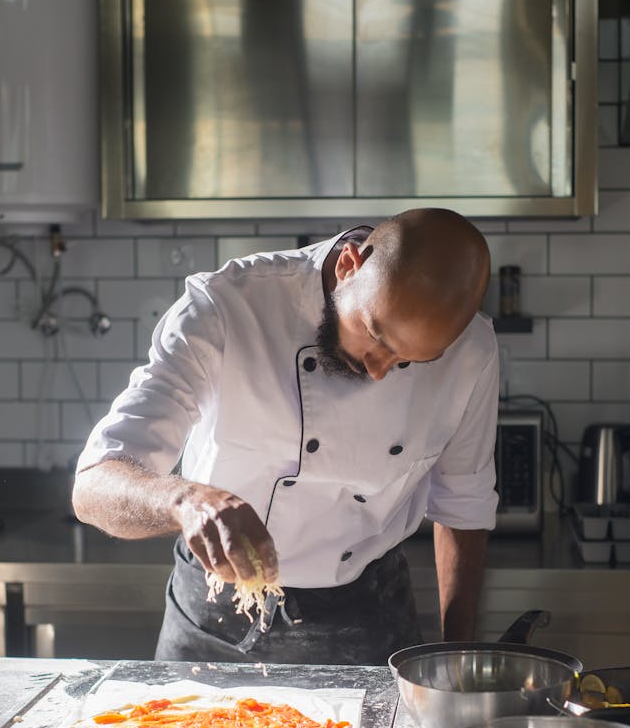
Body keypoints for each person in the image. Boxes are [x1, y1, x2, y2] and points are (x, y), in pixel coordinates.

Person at [72, 207, 499, 665]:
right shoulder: (225, 307)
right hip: (212, 617)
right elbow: (94, 486)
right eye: (375, 335)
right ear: (348, 266)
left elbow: (463, 504)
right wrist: (186, 502)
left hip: (368, 618)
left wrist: (460, 655)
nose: (378, 370)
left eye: (409, 362)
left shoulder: (472, 351)